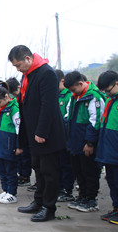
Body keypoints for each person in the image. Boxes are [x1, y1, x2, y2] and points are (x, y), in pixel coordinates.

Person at [10, 45, 66, 222]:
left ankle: (49, 208)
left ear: (28, 59)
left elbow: (48, 105)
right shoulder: (29, 75)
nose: (18, 69)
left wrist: (42, 131)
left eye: (18, 65)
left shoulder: (46, 73)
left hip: (46, 134)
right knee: (38, 169)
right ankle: (38, 201)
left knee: (49, 172)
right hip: (34, 133)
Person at [63, 71, 105, 213]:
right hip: (75, 140)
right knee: (78, 170)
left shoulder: (94, 97)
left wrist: (90, 142)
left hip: (86, 142)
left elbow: (96, 121)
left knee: (90, 171)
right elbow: (68, 116)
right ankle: (82, 196)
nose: (72, 92)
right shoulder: (75, 96)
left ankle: (91, 199)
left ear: (80, 84)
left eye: (73, 89)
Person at [96, 71, 118, 225]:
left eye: (108, 90)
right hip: (109, 149)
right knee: (112, 180)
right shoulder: (113, 99)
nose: (107, 94)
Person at [0, 86, 21, 204]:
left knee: (10, 169)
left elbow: (18, 128)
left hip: (9, 142)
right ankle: (5, 190)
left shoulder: (14, 108)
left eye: (0, 101)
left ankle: (12, 193)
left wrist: (18, 145)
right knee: (1, 168)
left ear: (6, 96)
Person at [55, 69, 76, 202]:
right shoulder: (55, 95)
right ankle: (60, 187)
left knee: (67, 165)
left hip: (67, 136)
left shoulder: (70, 96)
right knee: (58, 164)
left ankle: (67, 190)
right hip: (57, 136)